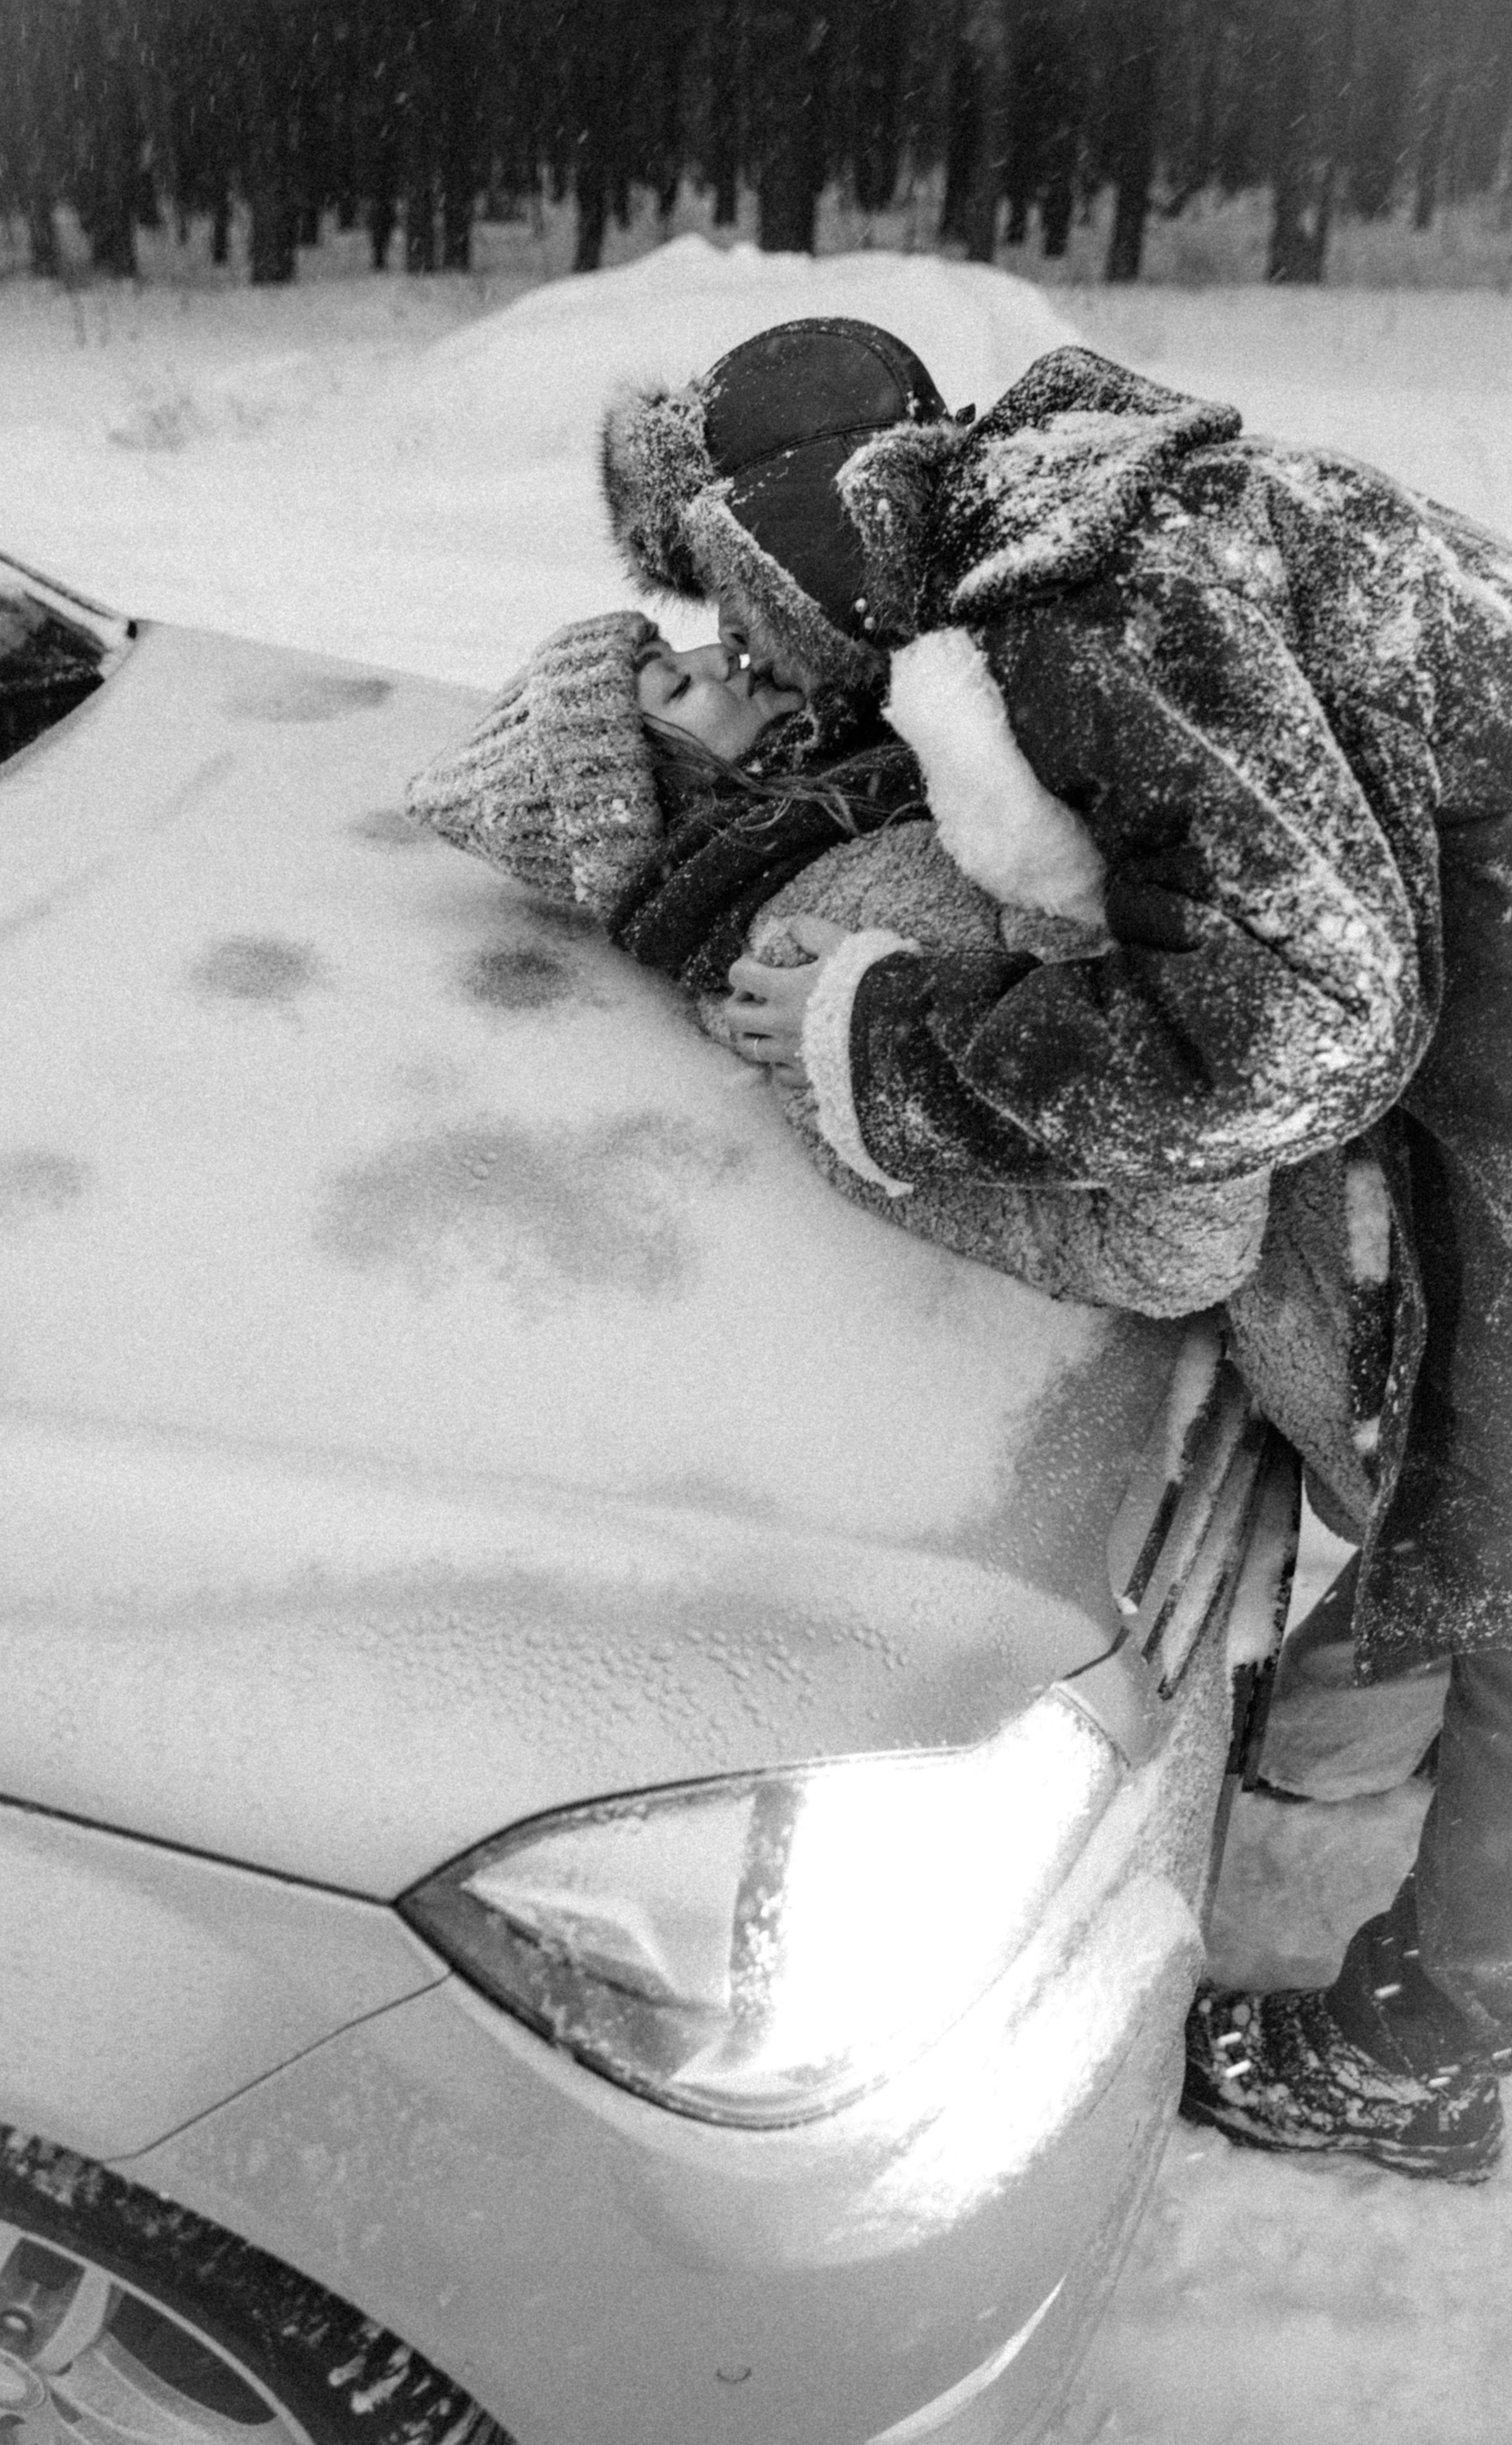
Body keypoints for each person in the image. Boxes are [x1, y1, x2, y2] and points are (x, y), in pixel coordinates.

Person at [594, 314, 1512, 2184]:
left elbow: (1298, 1030)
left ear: (804, 548)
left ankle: (1439, 2049)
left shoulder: (1090, 624)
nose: (730, 654)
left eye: (730, 605)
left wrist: (885, 1038)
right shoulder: (1107, 521)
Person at [406, 608, 1278, 1327]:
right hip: (1348, 1237)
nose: (716, 660)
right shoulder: (803, 966)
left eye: (675, 650)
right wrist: (875, 1027)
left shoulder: (873, 771)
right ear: (660, 796)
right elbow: (1166, 1248)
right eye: (675, 685)